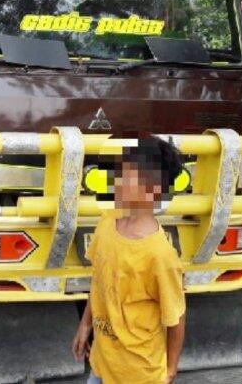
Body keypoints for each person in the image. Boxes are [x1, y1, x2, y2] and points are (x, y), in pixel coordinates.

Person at [72, 137, 186, 384]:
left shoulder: (160, 256)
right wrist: (85, 325)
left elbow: (175, 319)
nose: (117, 182)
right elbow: (99, 280)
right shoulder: (107, 221)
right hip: (102, 365)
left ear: (152, 189)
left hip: (139, 374)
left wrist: (170, 372)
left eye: (127, 177)